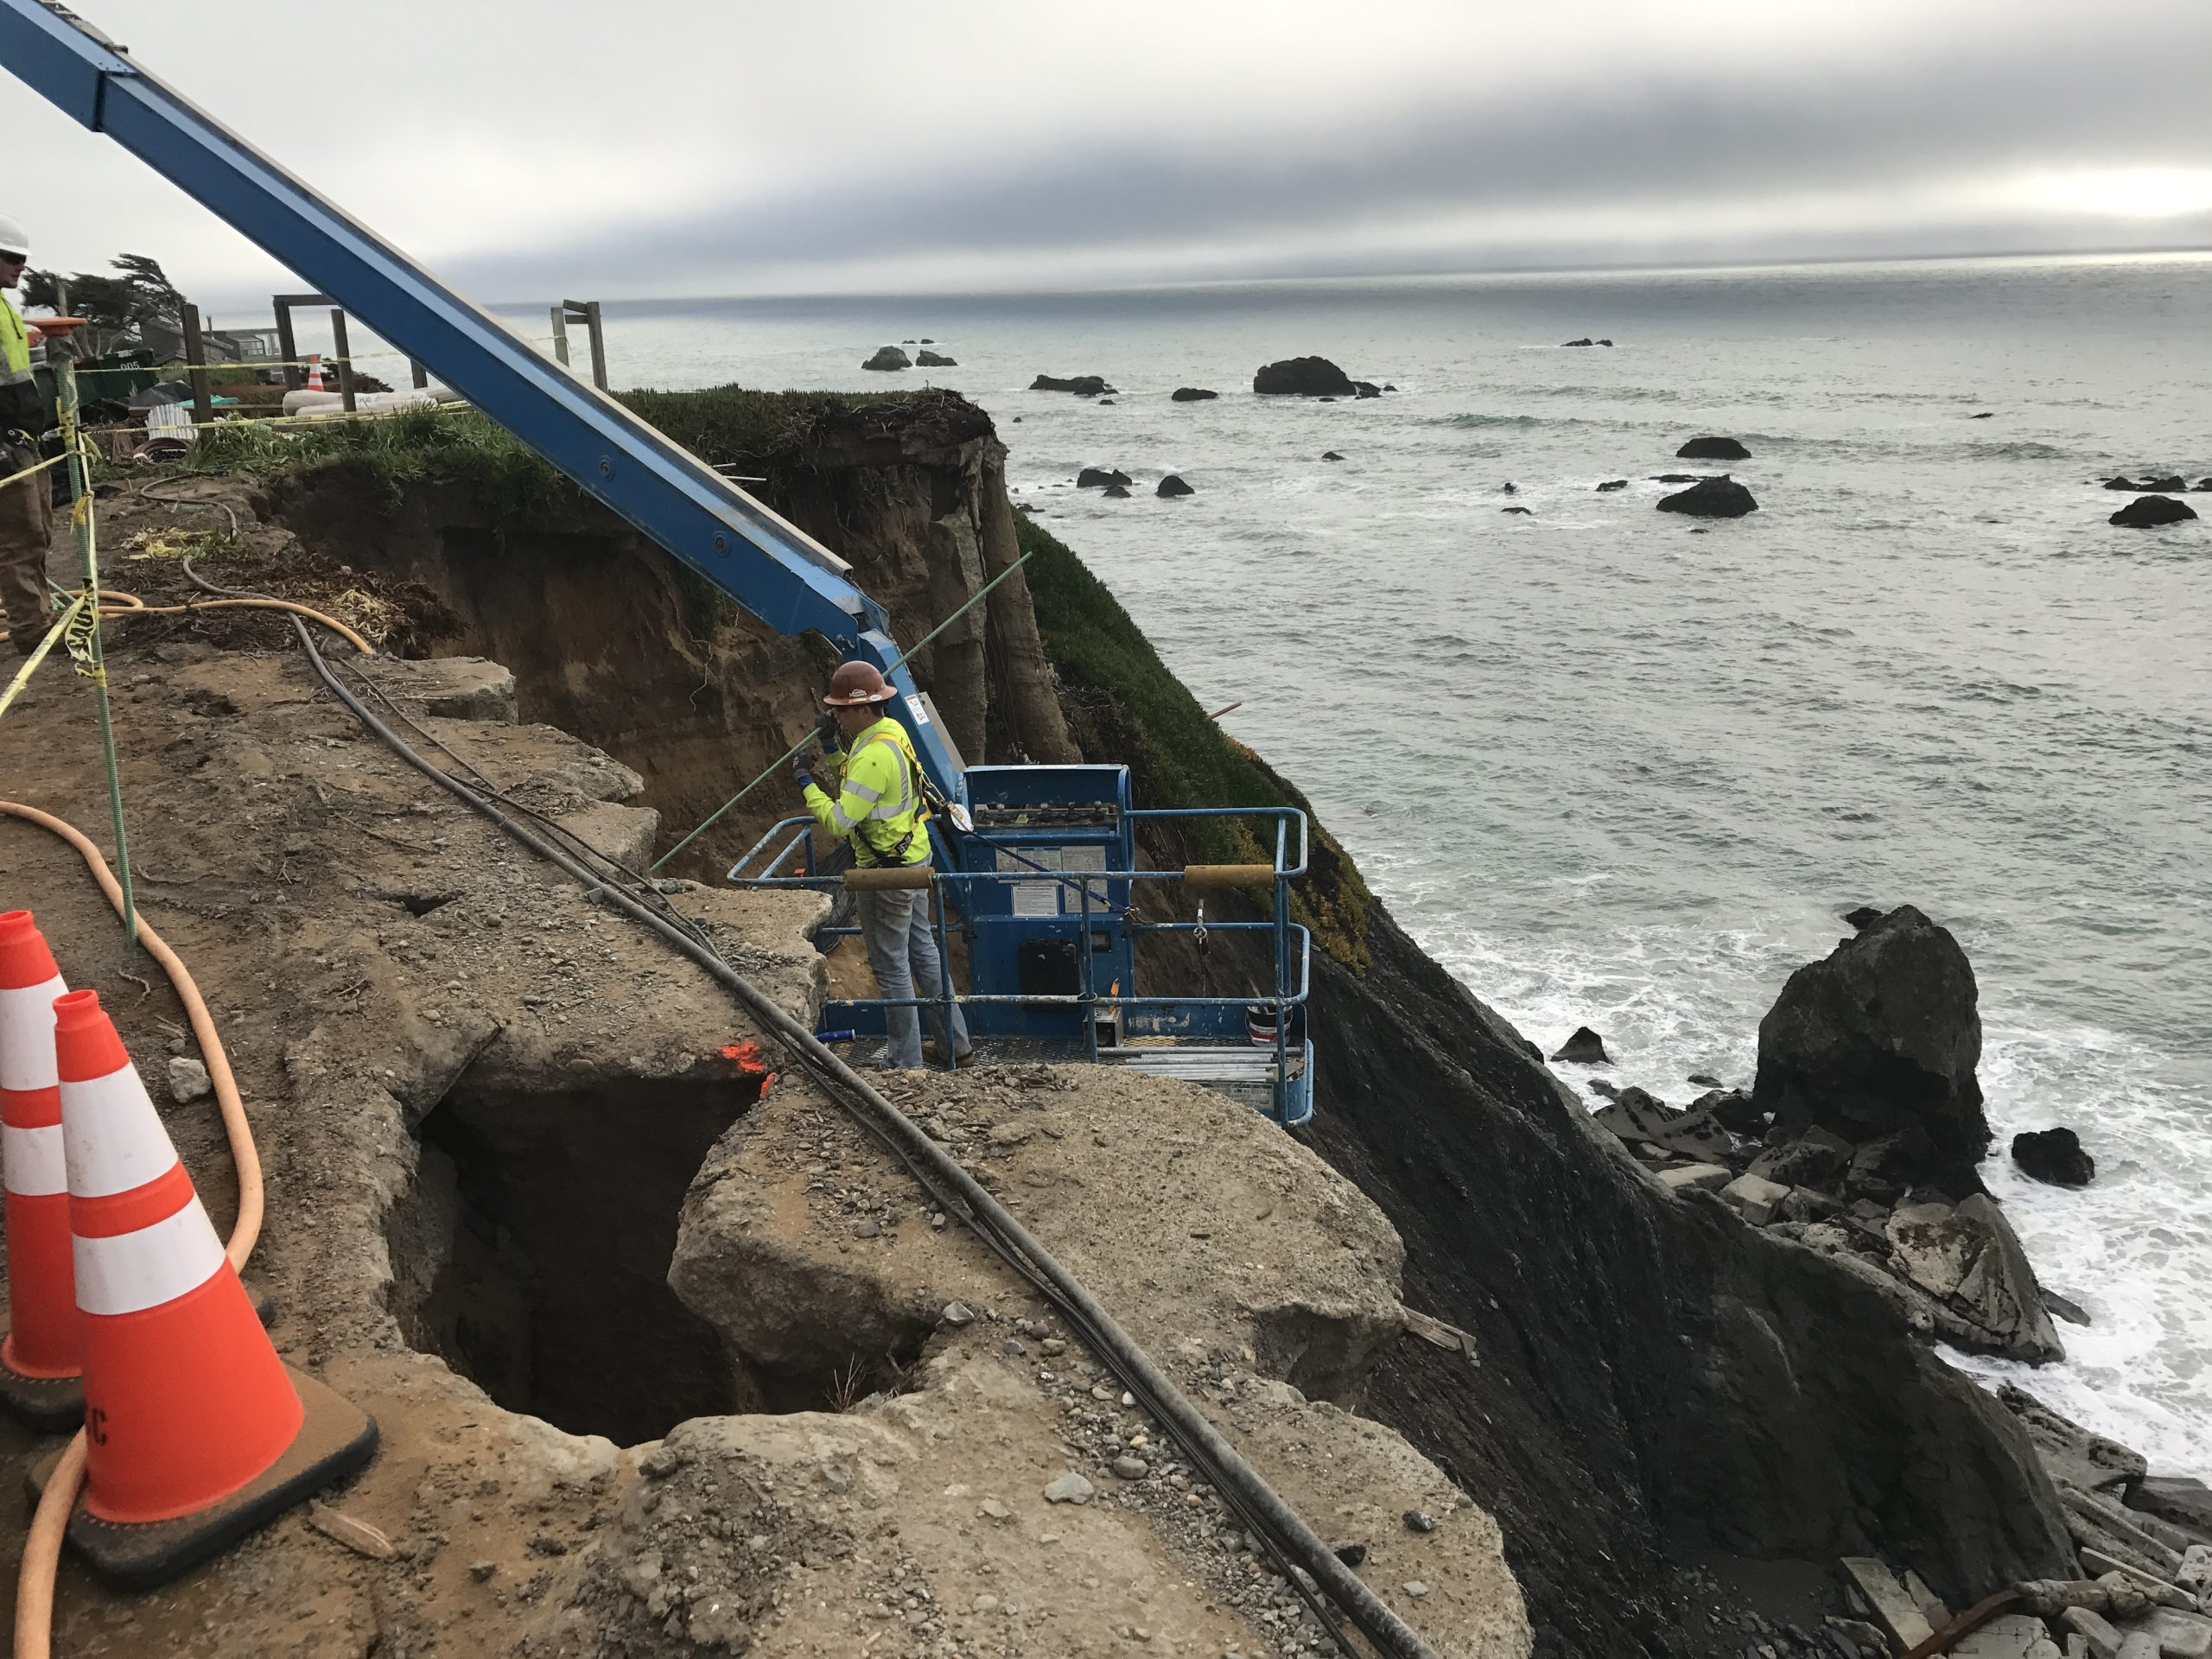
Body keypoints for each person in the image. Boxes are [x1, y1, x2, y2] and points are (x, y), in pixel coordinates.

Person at [796, 661, 973, 1070]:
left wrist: (807, 784)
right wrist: (829, 747)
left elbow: (840, 819)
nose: (835, 714)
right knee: (922, 950)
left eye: (840, 709)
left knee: (891, 965)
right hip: (914, 857)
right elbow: (858, 783)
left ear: (862, 708)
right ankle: (955, 1046)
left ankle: (904, 1062)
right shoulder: (889, 733)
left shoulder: (872, 755)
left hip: (886, 872)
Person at [0, 214, 54, 656]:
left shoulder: (5, 308)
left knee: (38, 534)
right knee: (18, 538)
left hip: (24, 439)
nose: (20, 266)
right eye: (11, 257)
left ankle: (42, 615)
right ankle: (31, 631)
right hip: (6, 444)